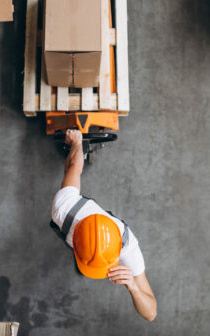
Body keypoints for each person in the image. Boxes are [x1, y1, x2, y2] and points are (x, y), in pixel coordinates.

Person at [51, 129, 157, 322]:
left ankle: (84, 260)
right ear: (74, 241)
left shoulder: (128, 248)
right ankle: (83, 260)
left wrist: (133, 285)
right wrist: (77, 143)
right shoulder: (64, 209)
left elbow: (151, 313)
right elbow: (73, 165)